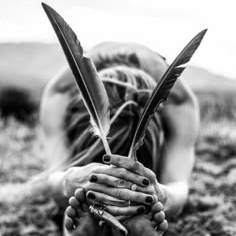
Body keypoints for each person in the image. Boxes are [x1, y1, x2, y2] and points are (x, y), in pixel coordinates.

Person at [39, 41, 200, 236]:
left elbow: (178, 182)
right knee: (72, 189)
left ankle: (124, 203)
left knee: (80, 193)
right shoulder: (59, 95)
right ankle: (89, 199)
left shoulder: (180, 104)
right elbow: (56, 173)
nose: (113, 182)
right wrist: (69, 180)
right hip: (82, 143)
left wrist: (160, 195)